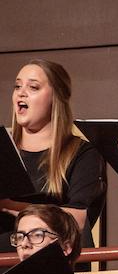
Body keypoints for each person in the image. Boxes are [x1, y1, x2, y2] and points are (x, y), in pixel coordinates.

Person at [2, 60, 105, 258]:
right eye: (17, 86)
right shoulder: (5, 150)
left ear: (56, 97)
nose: (21, 93)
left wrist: (10, 206)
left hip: (52, 263)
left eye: (33, 87)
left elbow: (77, 219)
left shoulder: (81, 154)